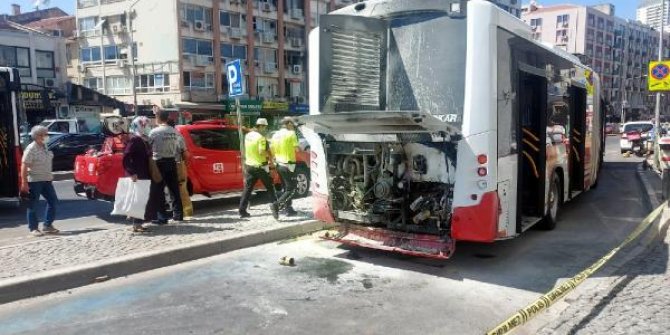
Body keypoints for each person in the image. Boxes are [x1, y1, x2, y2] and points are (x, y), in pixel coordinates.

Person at [20, 125, 59, 237]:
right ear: (38, 136)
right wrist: (24, 182)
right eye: (45, 134)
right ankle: (33, 228)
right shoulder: (31, 148)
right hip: (34, 180)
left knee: (53, 201)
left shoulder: (45, 146)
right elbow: (24, 165)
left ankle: (47, 225)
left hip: (46, 180)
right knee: (32, 205)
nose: (47, 136)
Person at [149, 109, 186, 223]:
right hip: (172, 162)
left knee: (158, 191)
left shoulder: (154, 132)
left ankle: (162, 217)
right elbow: (183, 148)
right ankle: (178, 215)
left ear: (158, 118)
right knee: (174, 190)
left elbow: (148, 147)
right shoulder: (176, 132)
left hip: (158, 163)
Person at [239, 118, 279, 219]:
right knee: (270, 188)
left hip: (249, 166)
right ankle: (276, 211)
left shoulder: (248, 135)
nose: (265, 129)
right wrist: (270, 155)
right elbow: (261, 152)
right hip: (260, 167)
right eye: (265, 127)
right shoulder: (261, 138)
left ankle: (242, 211)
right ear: (261, 126)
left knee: (247, 189)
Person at [122, 116, 154, 232]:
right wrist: (132, 172)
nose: (148, 127)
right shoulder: (135, 139)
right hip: (138, 174)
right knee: (138, 199)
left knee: (142, 198)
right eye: (145, 125)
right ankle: (137, 224)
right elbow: (126, 156)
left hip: (143, 172)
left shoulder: (143, 139)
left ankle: (138, 223)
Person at [271, 117, 300, 216]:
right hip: (289, 165)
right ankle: (276, 205)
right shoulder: (291, 134)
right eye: (292, 124)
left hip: (279, 164)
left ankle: (288, 208)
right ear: (288, 123)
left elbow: (272, 149)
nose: (293, 127)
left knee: (285, 188)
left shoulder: (275, 135)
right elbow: (297, 149)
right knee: (291, 189)